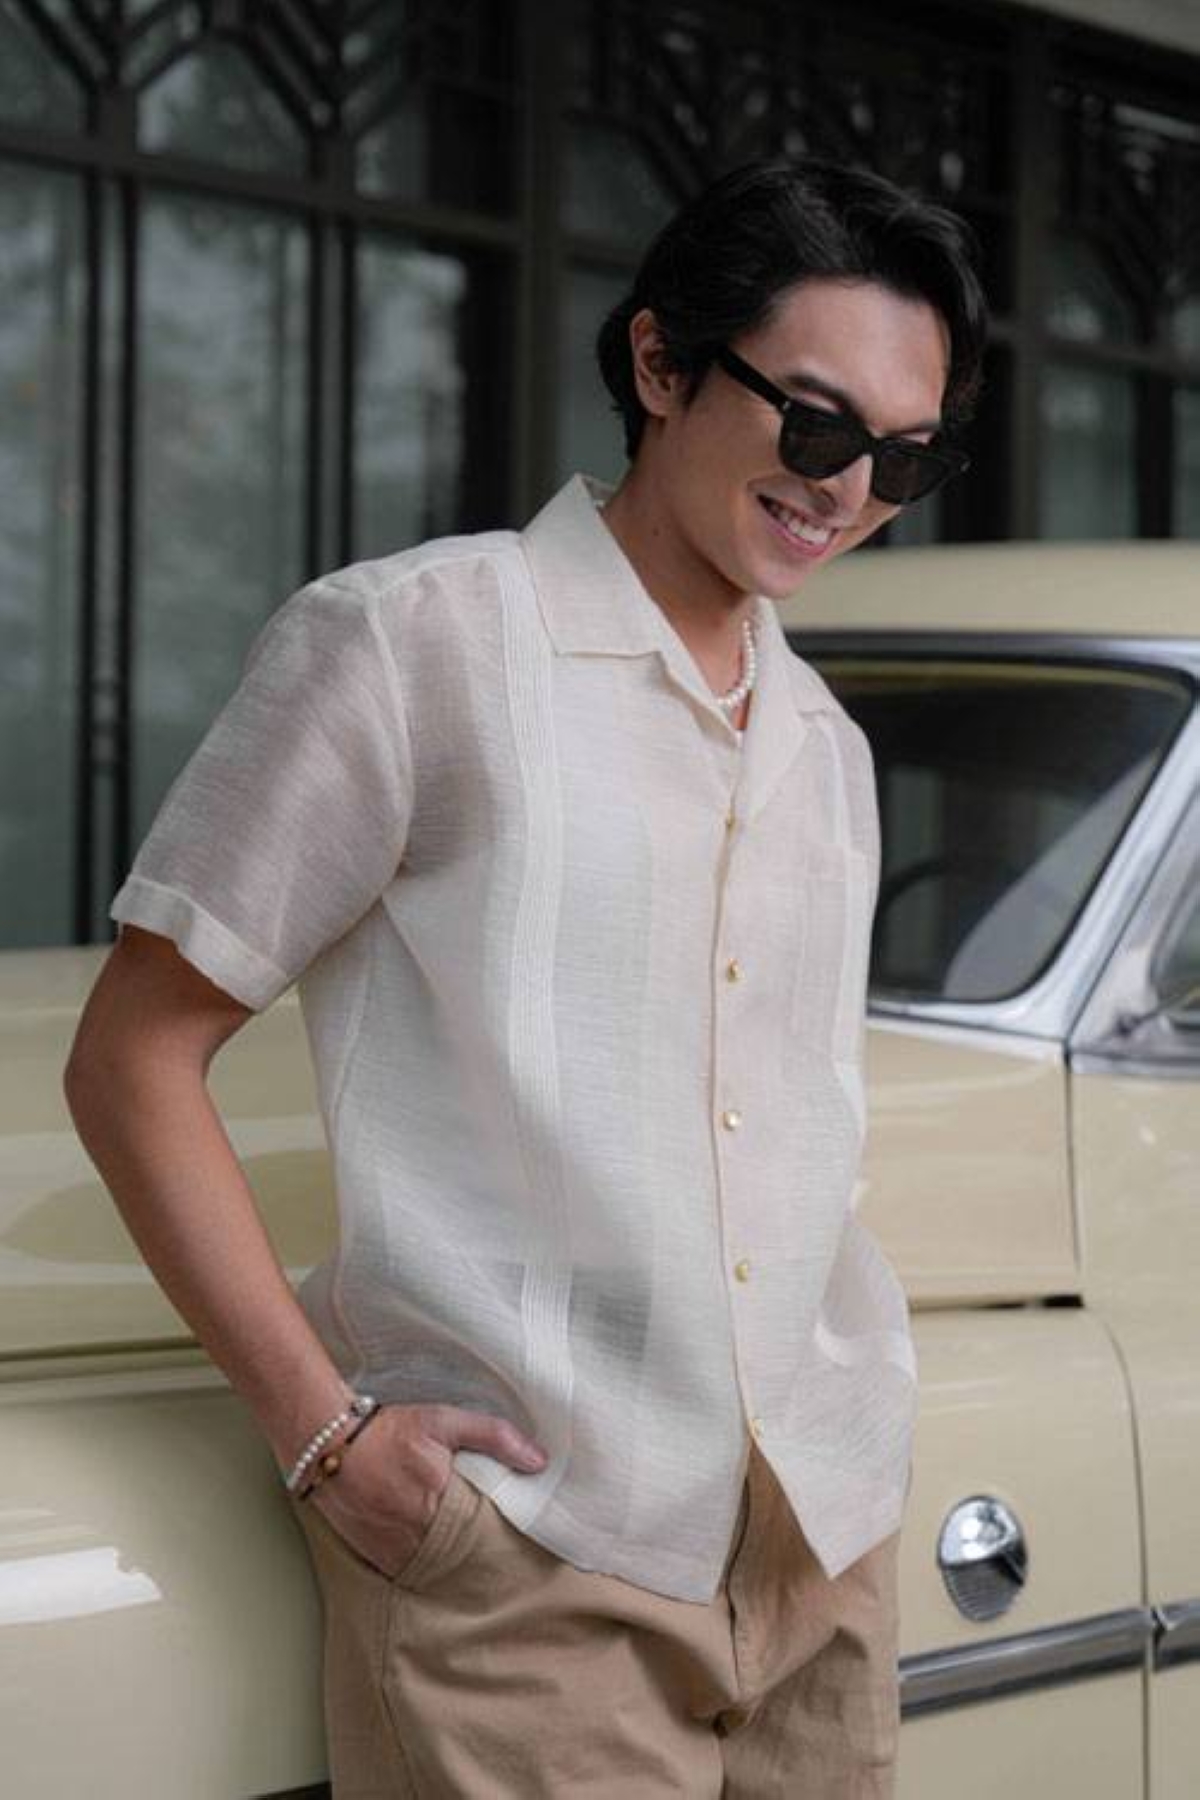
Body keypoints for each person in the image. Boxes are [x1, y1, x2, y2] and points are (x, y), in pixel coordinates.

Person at [65, 156, 986, 1797]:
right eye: (820, 425)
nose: (847, 489)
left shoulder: (827, 752)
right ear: (659, 365)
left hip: (820, 1544)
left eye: (906, 457)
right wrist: (322, 1432)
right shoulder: (412, 645)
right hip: (529, 1563)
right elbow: (132, 1054)